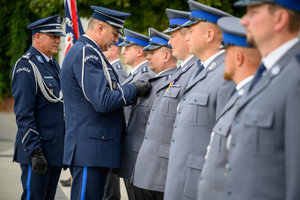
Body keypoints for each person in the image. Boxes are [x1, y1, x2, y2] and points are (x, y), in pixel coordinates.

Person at [60, 6, 152, 200]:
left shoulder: (91, 53)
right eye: (115, 33)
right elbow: (103, 101)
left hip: (95, 150)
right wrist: (134, 89)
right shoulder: (87, 53)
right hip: (90, 150)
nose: (117, 41)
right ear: (100, 28)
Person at [218, 0, 300, 199]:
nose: (243, 21)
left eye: (253, 13)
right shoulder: (267, 74)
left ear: (280, 19)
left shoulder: (295, 78)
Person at [163, 2, 235, 199]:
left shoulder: (226, 76)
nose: (186, 36)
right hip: (180, 180)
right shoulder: (200, 70)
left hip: (197, 186)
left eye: (190, 31)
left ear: (209, 35)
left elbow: (223, 144)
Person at [133, 12, 199, 198]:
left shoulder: (193, 72)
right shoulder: (183, 72)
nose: (169, 42)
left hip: (164, 167)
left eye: (172, 36)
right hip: (152, 164)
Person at [197, 16, 261, 200]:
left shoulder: (251, 100)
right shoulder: (239, 95)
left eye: (227, 53)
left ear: (239, 58)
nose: (224, 58)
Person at [11, 15, 65, 200]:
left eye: (58, 36)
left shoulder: (53, 65)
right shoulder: (26, 66)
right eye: (53, 36)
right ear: (37, 37)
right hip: (37, 150)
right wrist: (35, 151)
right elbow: (24, 114)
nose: (58, 40)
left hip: (53, 150)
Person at [119, 28, 177, 200]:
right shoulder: (155, 81)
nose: (148, 57)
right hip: (138, 160)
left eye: (152, 52)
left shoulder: (168, 82)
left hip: (151, 164)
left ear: (166, 56)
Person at [120, 28, 156, 124]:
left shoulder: (145, 75)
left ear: (139, 52)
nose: (123, 52)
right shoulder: (136, 73)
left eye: (127, 48)